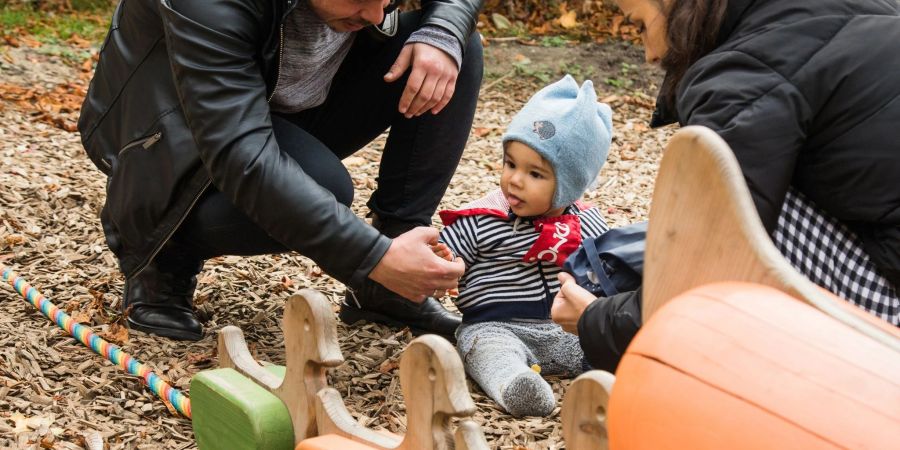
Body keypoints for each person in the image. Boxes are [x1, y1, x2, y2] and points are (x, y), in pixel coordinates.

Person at [77, 0, 486, 341]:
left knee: (452, 46)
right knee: (323, 186)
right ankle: (162, 253)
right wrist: (372, 256)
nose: (378, 14)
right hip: (172, 135)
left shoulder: (367, 7)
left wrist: (443, 31)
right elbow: (241, 152)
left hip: (291, 106)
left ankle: (389, 285)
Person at [552, 0, 900, 373]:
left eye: (639, 26)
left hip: (886, 341)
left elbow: (707, 270)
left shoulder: (743, 76)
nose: (650, 55)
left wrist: (593, 320)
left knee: (726, 193)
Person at [437, 75, 614, 417]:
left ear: (569, 186)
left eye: (535, 174)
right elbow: (439, 259)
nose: (515, 180)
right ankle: (515, 385)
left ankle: (612, 381)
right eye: (510, 163)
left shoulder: (587, 223)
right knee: (485, 349)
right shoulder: (481, 218)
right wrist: (443, 263)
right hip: (497, 326)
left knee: (607, 344)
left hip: (566, 329)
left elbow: (611, 270)